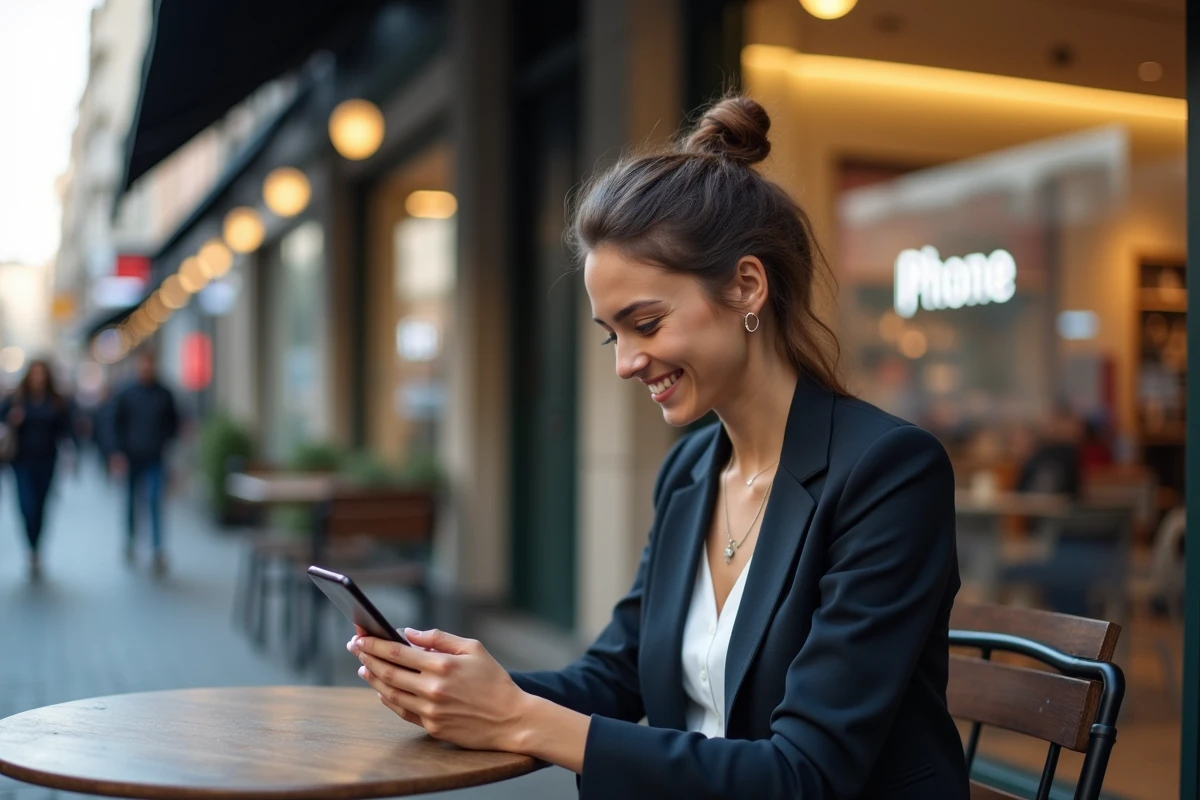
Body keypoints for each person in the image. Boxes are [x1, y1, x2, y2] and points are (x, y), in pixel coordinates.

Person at [345, 96, 968, 799]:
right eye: (614, 334)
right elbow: (616, 674)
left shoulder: (887, 472)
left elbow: (806, 776)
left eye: (646, 323)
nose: (626, 363)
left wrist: (520, 721)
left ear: (746, 285)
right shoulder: (692, 472)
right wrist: (459, 686)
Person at [0, 359, 74, 579]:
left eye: (41, 374)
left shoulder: (56, 401)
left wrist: (71, 453)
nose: (38, 378)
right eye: (34, 374)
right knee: (26, 505)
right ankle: (30, 546)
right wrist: (13, 421)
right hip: (21, 461)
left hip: (47, 461)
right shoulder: (15, 400)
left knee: (41, 505)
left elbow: (65, 429)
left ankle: (36, 547)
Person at [112, 349, 179, 574]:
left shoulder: (164, 393)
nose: (146, 368)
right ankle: (131, 539)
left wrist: (166, 441)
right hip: (131, 457)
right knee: (131, 501)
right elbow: (116, 424)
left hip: (155, 457)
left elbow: (174, 423)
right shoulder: (126, 393)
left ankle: (158, 548)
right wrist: (117, 453)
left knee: (154, 502)